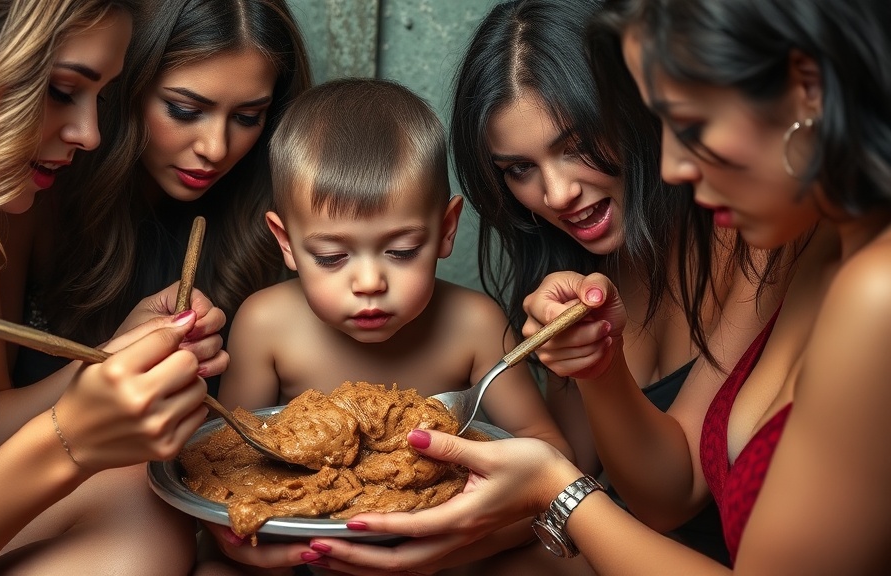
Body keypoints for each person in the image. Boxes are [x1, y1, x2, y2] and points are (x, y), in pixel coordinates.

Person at [304, 0, 891, 573]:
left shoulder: (816, 258)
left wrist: (554, 489)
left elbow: (656, 494)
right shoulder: (574, 267)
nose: (556, 195)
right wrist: (599, 370)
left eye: (579, 143)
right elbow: (663, 493)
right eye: (518, 169)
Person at [0, 1, 227, 573]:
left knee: (140, 493)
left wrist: (108, 363)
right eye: (61, 90)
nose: (90, 134)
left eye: (100, 98)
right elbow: (35, 458)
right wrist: (68, 444)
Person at [201, 77, 574, 575]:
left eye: (400, 252)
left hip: (451, 556)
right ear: (286, 242)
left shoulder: (475, 324)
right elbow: (229, 459)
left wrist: (460, 545)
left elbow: (550, 461)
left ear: (445, 230)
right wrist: (235, 540)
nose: (371, 282)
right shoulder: (265, 323)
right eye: (332, 257)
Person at [5, 0, 313, 390]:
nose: (216, 148)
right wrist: (109, 367)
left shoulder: (277, 216)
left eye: (247, 117)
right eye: (184, 110)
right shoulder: (28, 199)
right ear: (122, 87)